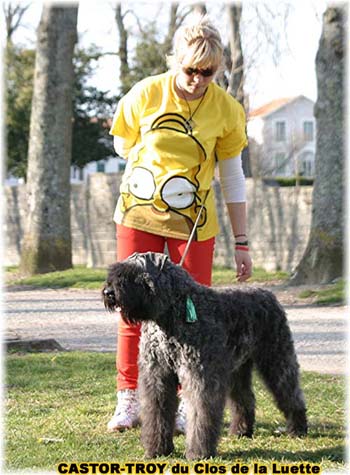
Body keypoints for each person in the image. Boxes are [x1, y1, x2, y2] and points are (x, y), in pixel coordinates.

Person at [107, 15, 252, 433]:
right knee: (131, 310)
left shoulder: (227, 109)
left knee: (192, 316)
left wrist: (241, 241)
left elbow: (233, 176)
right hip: (139, 216)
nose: (197, 79)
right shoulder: (146, 93)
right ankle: (129, 399)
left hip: (194, 227)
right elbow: (122, 144)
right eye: (190, 69)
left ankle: (190, 404)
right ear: (176, 62)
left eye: (208, 72)